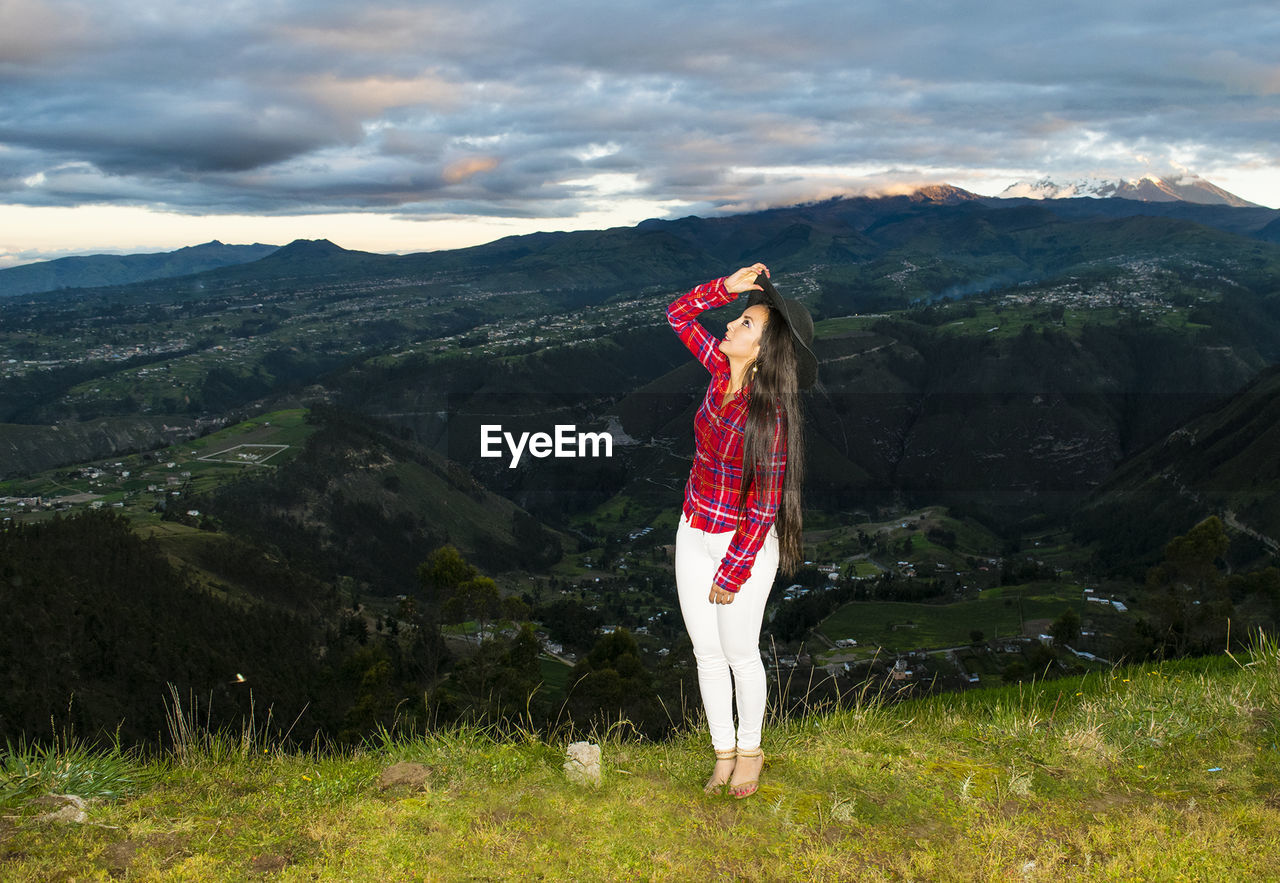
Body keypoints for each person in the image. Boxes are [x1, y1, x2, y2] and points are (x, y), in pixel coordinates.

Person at [666, 262, 817, 798]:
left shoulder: (769, 416)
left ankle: (749, 751)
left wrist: (732, 573)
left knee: (739, 653)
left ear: (763, 351)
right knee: (706, 654)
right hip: (693, 528)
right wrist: (725, 288)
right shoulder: (718, 373)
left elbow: (764, 508)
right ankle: (722, 753)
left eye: (746, 324)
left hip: (741, 547)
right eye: (738, 318)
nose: (731, 326)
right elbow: (679, 314)